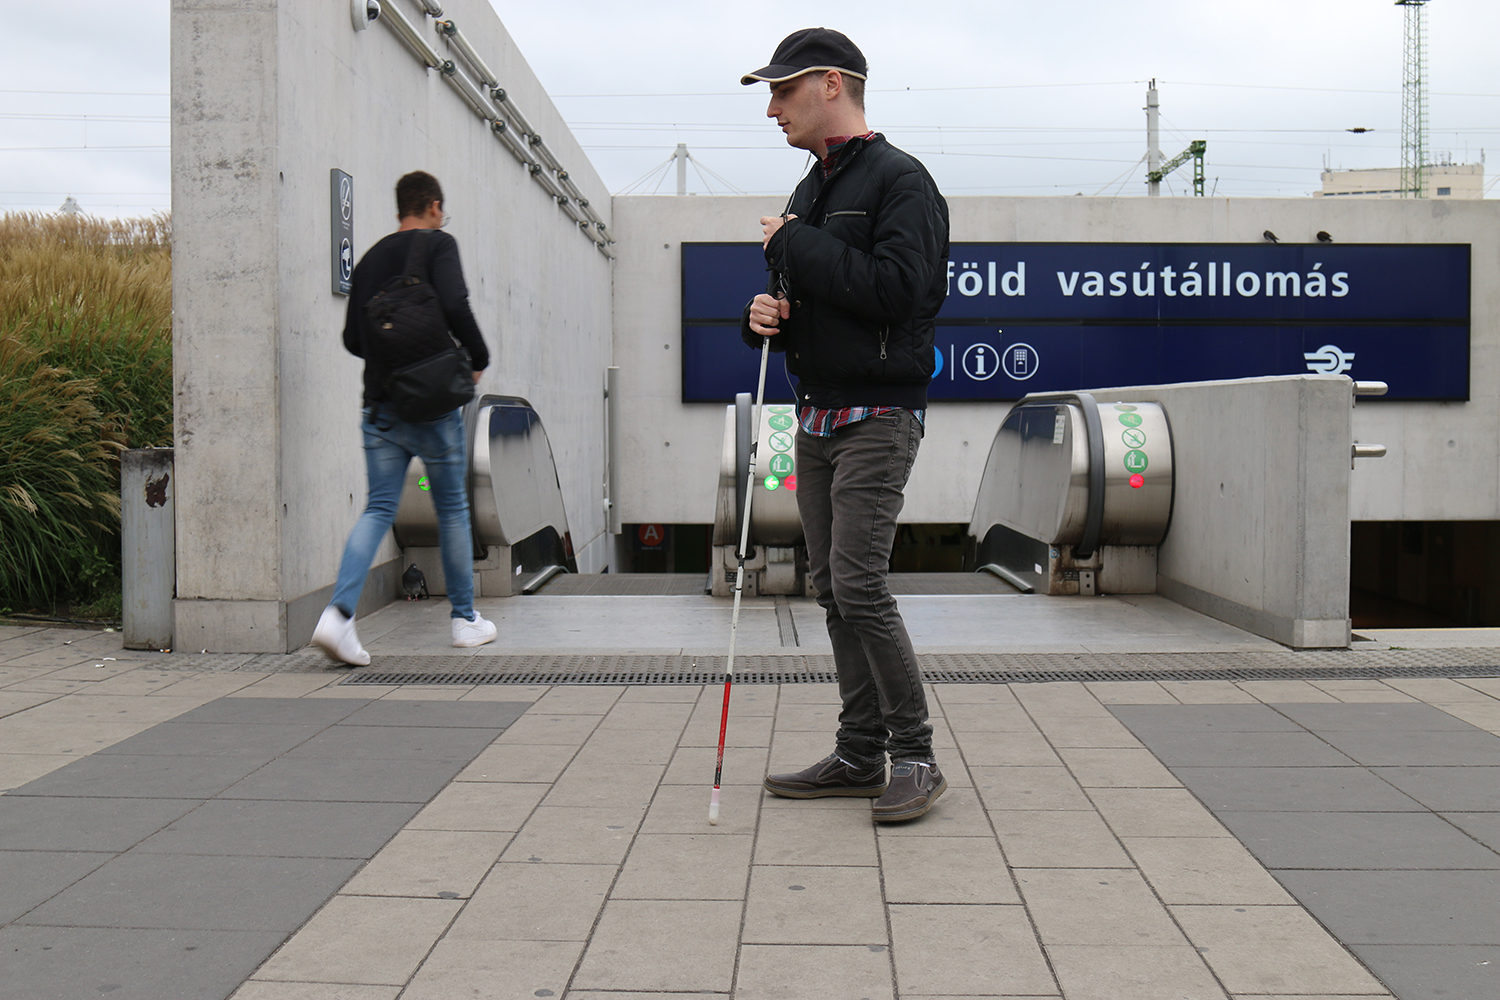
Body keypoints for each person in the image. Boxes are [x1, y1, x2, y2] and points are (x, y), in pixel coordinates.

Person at [740, 29, 952, 821]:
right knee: (833, 589)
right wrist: (765, 317)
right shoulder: (810, 188)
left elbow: (899, 292)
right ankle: (861, 753)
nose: (772, 108)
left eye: (783, 90)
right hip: (818, 413)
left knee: (860, 585)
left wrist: (796, 241)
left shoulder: (902, 181)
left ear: (832, 84)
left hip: (879, 414)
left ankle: (916, 757)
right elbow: (813, 303)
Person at [312, 170, 497, 665]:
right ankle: (464, 620)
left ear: (400, 209)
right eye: (441, 210)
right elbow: (455, 303)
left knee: (378, 508)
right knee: (451, 508)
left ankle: (338, 617)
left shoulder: (370, 259)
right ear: (433, 206)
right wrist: (478, 358)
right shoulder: (439, 244)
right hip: (433, 406)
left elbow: (353, 339)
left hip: (381, 406)